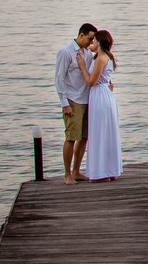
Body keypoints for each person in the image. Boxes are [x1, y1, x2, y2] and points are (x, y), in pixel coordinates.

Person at [76, 29, 123, 181]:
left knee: (99, 133)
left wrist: (82, 66)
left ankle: (101, 173)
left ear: (100, 43)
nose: (92, 43)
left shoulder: (100, 59)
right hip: (105, 95)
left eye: (94, 41)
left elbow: (91, 82)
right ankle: (110, 170)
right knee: (107, 133)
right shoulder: (106, 57)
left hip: (99, 96)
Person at [55, 23, 96, 185]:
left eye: (93, 40)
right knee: (71, 137)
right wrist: (64, 103)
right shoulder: (66, 52)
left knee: (84, 137)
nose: (91, 43)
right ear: (81, 35)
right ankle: (67, 174)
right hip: (73, 100)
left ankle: (76, 171)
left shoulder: (87, 53)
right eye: (89, 39)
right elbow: (59, 78)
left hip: (87, 98)